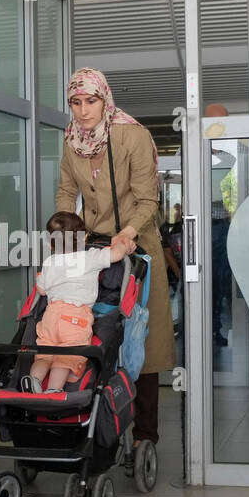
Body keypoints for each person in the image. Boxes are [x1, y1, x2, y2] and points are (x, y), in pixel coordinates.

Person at [54, 67, 176, 455]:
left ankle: (145, 434)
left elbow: (148, 200)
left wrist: (128, 234)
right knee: (93, 333)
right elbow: (65, 192)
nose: (84, 111)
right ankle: (93, 423)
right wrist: (64, 239)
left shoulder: (131, 135)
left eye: (91, 102)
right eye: (76, 103)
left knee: (143, 340)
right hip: (91, 251)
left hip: (137, 249)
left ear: (105, 100)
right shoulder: (71, 140)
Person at [24, 211, 133, 393]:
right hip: (75, 318)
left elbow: (42, 290)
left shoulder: (50, 262)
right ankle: (53, 390)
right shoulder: (89, 257)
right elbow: (115, 256)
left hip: (51, 316)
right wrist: (122, 245)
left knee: (44, 355)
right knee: (66, 357)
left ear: (51, 245)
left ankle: (33, 380)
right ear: (84, 239)